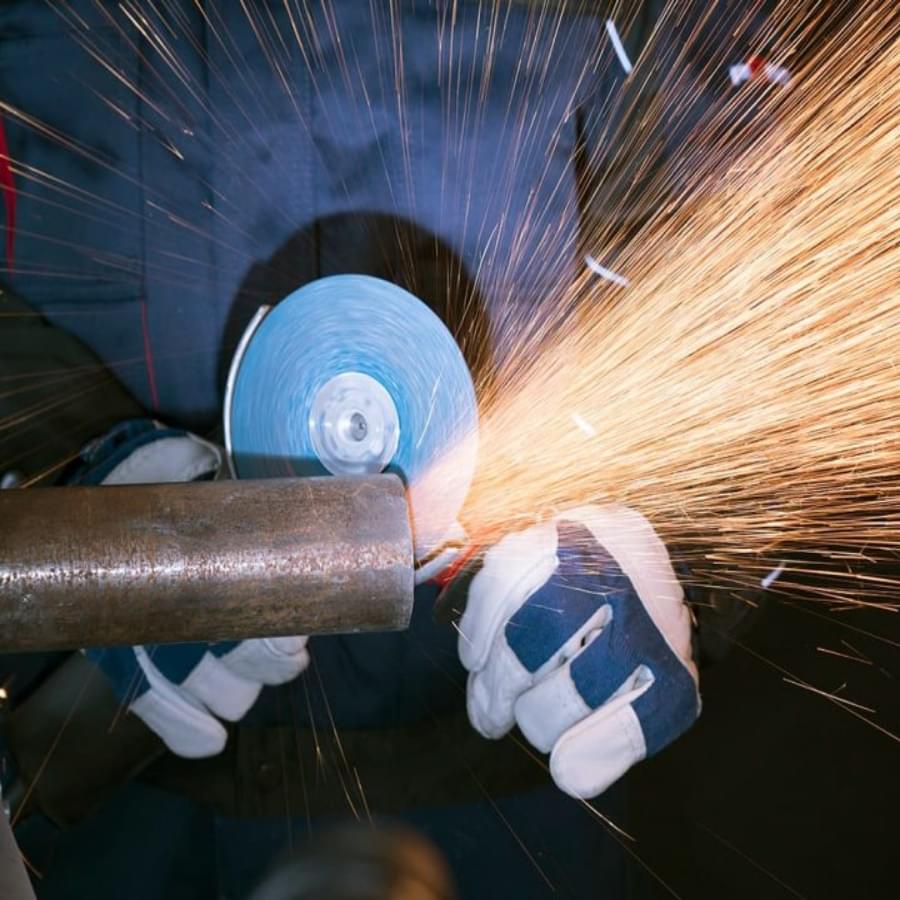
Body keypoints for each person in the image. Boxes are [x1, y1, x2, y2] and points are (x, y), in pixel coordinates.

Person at [0, 3, 769, 897]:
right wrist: (60, 506)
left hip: (511, 795)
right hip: (120, 783)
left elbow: (781, 239)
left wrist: (685, 547)